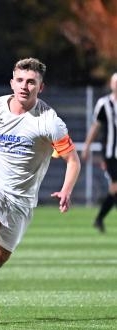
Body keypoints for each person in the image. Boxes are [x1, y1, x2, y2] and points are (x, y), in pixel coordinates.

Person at [0, 58, 81, 323]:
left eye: (31, 82)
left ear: (40, 87)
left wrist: (66, 190)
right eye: (20, 80)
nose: (24, 86)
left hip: (22, 197)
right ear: (12, 82)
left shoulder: (50, 121)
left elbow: (73, 160)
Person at [81, 72, 117, 233]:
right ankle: (99, 218)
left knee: (114, 189)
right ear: (111, 84)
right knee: (116, 186)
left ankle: (99, 219)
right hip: (111, 153)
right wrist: (87, 146)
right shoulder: (104, 103)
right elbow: (96, 127)